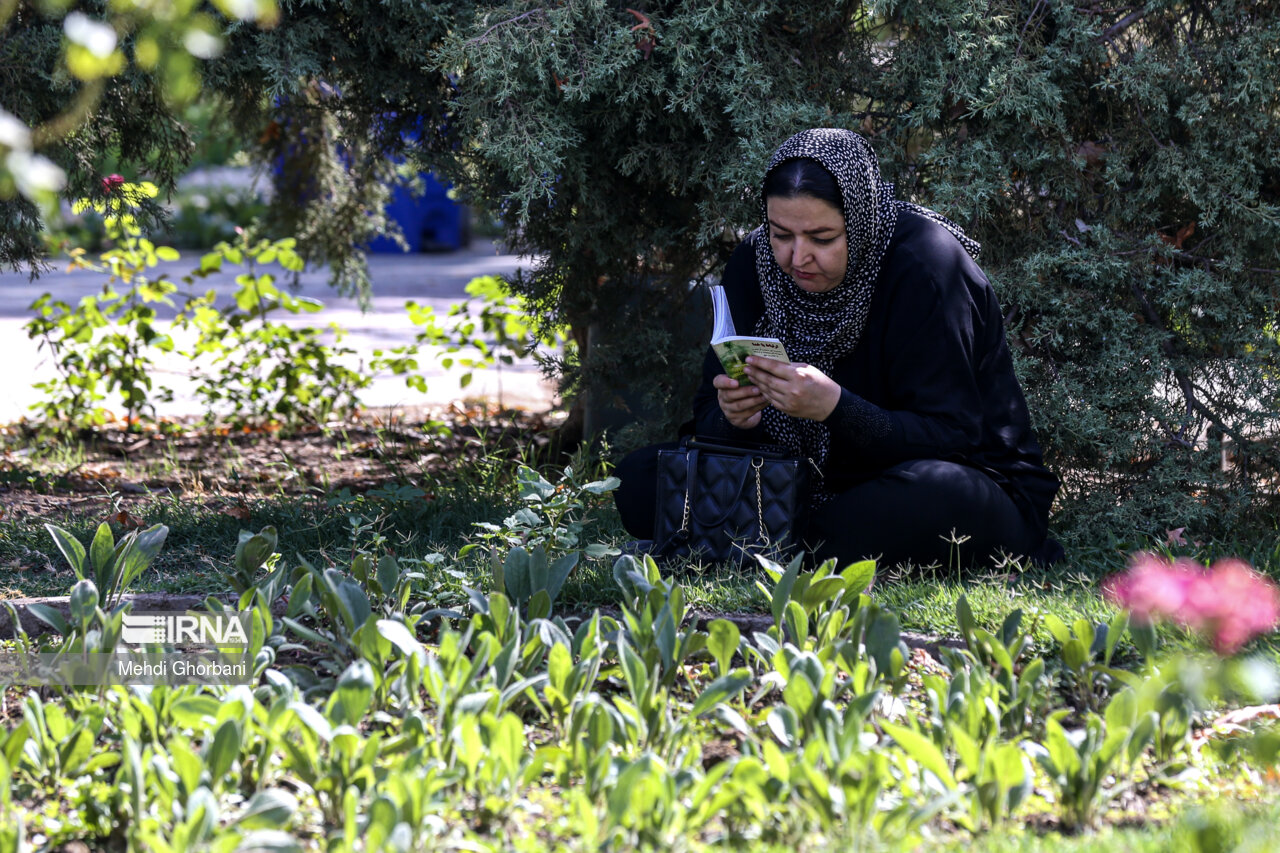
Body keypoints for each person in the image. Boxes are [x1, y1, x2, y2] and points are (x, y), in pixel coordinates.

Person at [613, 128, 1062, 569]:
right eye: (781, 233)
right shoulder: (755, 262)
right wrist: (733, 417)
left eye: (822, 238)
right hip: (795, 482)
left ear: (860, 220)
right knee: (637, 480)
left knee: (937, 498)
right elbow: (705, 416)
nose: (796, 257)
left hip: (940, 481)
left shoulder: (924, 268)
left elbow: (953, 437)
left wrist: (836, 408)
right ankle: (797, 543)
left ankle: (756, 542)